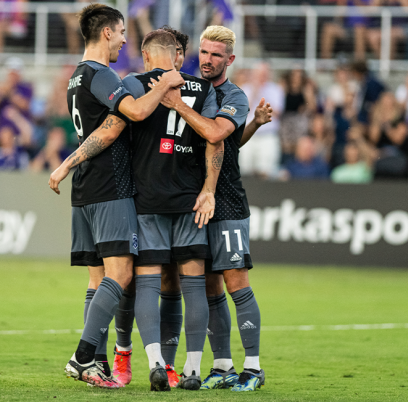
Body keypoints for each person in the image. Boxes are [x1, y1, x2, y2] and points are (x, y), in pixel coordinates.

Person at [47, 4, 185, 389]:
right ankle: (82, 356)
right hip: (111, 186)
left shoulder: (76, 76)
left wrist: (66, 165)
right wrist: (164, 83)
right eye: (122, 32)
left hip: (86, 189)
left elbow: (101, 129)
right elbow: (132, 116)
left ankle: (98, 364)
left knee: (97, 281)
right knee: (120, 274)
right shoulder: (100, 74)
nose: (125, 39)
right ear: (107, 32)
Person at [159, 25, 269, 392]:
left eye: (216, 55)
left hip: (227, 202)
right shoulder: (194, 89)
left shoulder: (234, 95)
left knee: (236, 282)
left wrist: (177, 106)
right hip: (194, 200)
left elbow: (218, 134)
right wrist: (253, 125)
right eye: (204, 53)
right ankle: (222, 365)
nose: (207, 60)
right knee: (209, 287)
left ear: (230, 60)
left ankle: (253, 368)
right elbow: (231, 140)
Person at [121, 29, 223, 392]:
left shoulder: (134, 84)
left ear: (147, 57)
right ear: (177, 56)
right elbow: (215, 140)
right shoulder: (204, 89)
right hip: (189, 202)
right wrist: (208, 190)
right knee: (193, 286)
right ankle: (193, 370)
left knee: (147, 283)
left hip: (147, 201)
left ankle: (155, 364)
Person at [239, 62, 284, 179]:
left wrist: (263, 94)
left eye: (264, 73)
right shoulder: (245, 89)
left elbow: (278, 112)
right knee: (245, 169)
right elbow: (243, 110)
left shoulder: (276, 89)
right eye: (259, 73)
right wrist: (255, 91)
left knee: (267, 170)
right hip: (248, 135)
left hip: (268, 135)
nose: (262, 76)